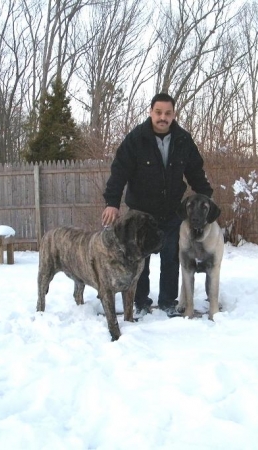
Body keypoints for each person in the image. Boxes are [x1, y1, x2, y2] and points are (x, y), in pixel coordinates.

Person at [102, 93, 213, 315]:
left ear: (173, 115)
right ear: (151, 112)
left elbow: (195, 173)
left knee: (171, 257)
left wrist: (207, 199)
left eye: (168, 113)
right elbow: (119, 172)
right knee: (139, 259)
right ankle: (141, 302)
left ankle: (167, 302)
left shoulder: (183, 140)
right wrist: (112, 202)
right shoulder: (136, 139)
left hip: (171, 211)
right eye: (158, 112)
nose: (163, 117)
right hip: (140, 213)